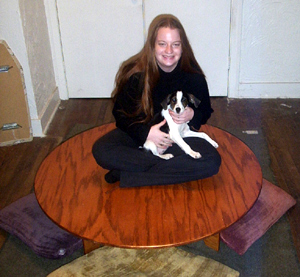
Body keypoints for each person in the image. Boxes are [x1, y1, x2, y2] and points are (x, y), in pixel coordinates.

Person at [92, 14, 221, 187]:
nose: (169, 51)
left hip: (175, 138)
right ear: (152, 45)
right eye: (162, 44)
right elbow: (120, 115)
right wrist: (146, 133)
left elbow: (205, 111)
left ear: (183, 47)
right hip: (138, 135)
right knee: (101, 150)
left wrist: (192, 114)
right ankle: (164, 168)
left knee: (212, 161)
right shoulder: (135, 72)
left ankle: (128, 174)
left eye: (175, 44)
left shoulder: (193, 76)